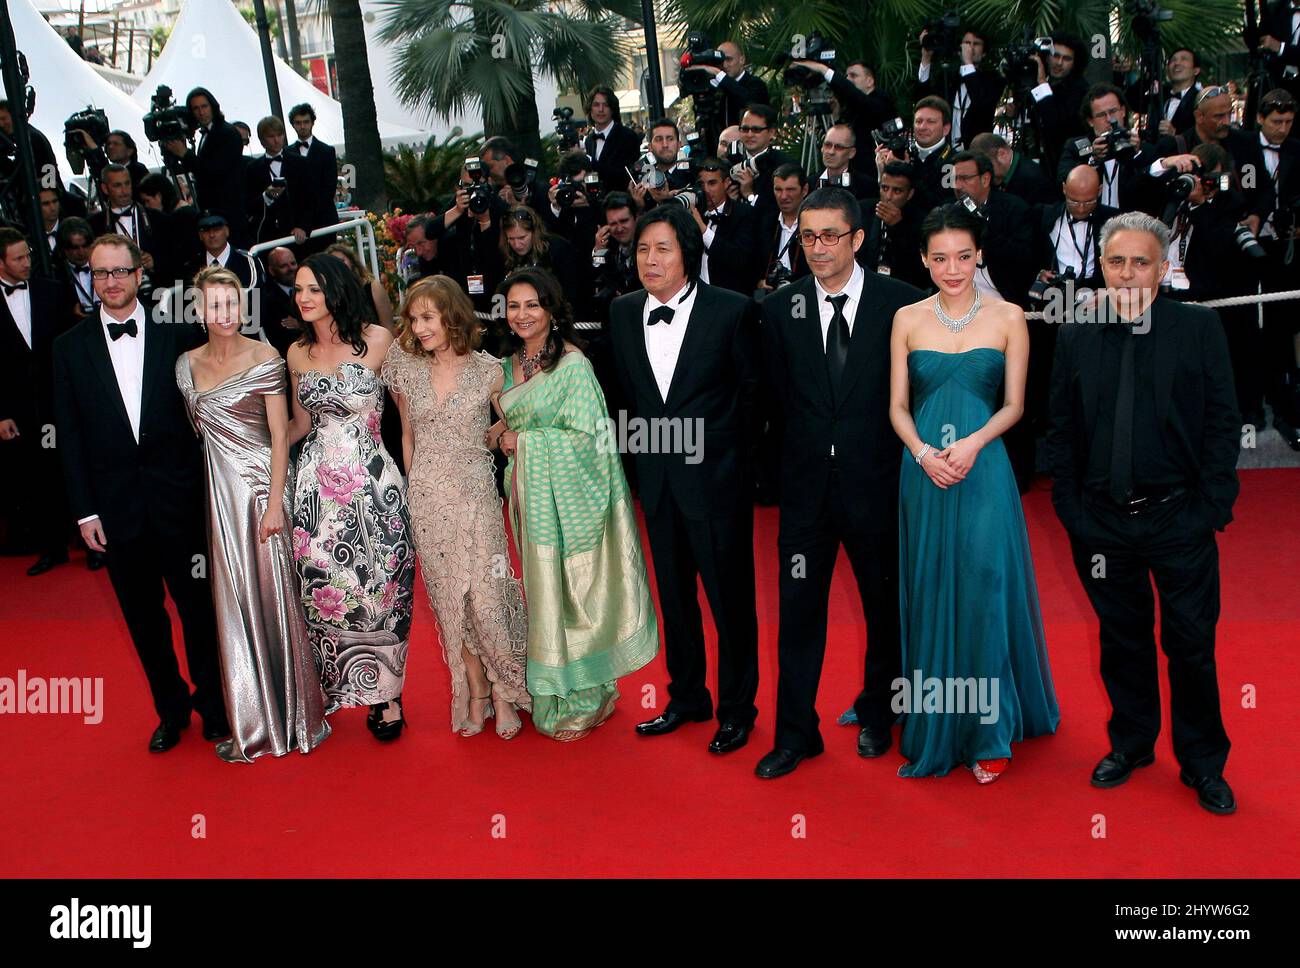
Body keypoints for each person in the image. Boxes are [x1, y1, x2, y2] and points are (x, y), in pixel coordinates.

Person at [1046, 211, 1241, 815]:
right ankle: (1131, 744)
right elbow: (1059, 425)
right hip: (1100, 523)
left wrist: (1210, 506)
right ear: (1099, 266)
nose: (1128, 274)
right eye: (1116, 261)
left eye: (1141, 262)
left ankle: (1203, 763)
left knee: (1190, 643)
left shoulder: (1198, 328)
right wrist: (1072, 509)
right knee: (1122, 640)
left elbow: (1221, 422)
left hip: (1178, 519)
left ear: (1163, 267)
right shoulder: (1077, 330)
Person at [888, 204, 1060, 781]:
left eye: (963, 256)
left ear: (979, 254)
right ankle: (939, 716)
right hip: (924, 469)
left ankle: (990, 728)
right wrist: (923, 453)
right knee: (933, 585)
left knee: (985, 585)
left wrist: (971, 445)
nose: (952, 268)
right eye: (939, 258)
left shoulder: (1009, 315)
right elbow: (896, 407)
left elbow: (1015, 406)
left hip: (984, 466)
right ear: (923, 259)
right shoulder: (907, 318)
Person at [755, 187, 922, 778]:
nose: (818, 248)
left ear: (857, 239)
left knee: (884, 607)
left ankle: (880, 711)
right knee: (798, 612)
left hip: (877, 484)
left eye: (830, 236)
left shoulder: (901, 305)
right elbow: (770, 402)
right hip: (805, 492)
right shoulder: (779, 310)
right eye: (807, 236)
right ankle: (797, 733)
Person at [52, 234, 227, 751]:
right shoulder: (68, 348)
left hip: (180, 501)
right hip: (116, 509)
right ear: (90, 278)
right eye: (100, 273)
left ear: (137, 275)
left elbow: (206, 418)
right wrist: (84, 511)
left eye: (120, 271)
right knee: (143, 618)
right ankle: (170, 711)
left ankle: (213, 706)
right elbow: (70, 435)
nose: (111, 282)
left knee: (198, 610)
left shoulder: (179, 336)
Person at [611, 206, 761, 753]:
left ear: (689, 255)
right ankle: (688, 696)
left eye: (663, 249)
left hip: (717, 484)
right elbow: (627, 398)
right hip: (658, 482)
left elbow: (753, 399)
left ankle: (737, 710)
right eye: (643, 249)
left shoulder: (733, 311)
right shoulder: (623, 312)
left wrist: (735, 471)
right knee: (674, 599)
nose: (650, 259)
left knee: (730, 602)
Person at [489, 267, 659, 740]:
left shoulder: (573, 366)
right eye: (513, 305)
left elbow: (592, 440)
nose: (521, 315)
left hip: (569, 497)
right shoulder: (505, 365)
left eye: (532, 305)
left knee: (571, 591)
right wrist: (506, 436)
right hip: (529, 497)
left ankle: (585, 690)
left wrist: (524, 442)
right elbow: (503, 427)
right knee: (543, 593)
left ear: (551, 310)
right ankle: (551, 687)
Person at [177, 267, 331, 762]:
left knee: (271, 595)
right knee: (231, 599)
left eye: (232, 303)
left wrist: (273, 504)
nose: (225, 314)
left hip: (262, 492)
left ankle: (292, 716)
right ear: (199, 310)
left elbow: (280, 434)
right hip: (218, 495)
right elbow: (200, 433)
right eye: (214, 305)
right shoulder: (185, 365)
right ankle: (254, 716)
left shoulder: (264, 356)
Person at [382, 276, 530, 739]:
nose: (420, 328)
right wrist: (412, 490)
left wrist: (493, 435)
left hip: (475, 494)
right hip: (427, 497)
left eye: (428, 317)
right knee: (451, 603)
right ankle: (477, 690)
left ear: (451, 316)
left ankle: (507, 691)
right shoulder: (404, 368)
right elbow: (405, 435)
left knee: (487, 595)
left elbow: (515, 413)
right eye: (414, 319)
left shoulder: (488, 369)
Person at [286, 254, 415, 739]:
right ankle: (341, 686)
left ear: (336, 289)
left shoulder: (380, 341)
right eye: (298, 290)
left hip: (374, 482)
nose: (303, 299)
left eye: (313, 289)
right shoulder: (296, 353)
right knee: (330, 589)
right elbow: (299, 425)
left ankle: (388, 695)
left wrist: (416, 475)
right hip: (315, 489)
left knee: (382, 587)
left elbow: (407, 416)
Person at [0, 228, 70, 576]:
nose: (27, 263)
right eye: (18, 258)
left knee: (71, 469)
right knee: (35, 478)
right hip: (21, 409)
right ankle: (51, 548)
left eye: (27, 255)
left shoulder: (52, 291)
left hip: (60, 400)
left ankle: (95, 547)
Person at [915, 27, 1002, 148]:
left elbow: (981, 101)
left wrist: (968, 62)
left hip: (976, 153)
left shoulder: (993, 79)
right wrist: (926, 58)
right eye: (966, 43)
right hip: (947, 153)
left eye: (976, 44)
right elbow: (924, 101)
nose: (970, 48)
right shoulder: (948, 77)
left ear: (984, 52)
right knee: (948, 168)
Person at [186, 88, 249, 246]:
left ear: (213, 107)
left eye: (204, 106)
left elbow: (214, 172)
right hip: (213, 210)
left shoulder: (226, 133)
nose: (201, 112)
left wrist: (185, 155)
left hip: (228, 212)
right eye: (196, 108)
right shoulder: (206, 134)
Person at [247, 115, 310, 246]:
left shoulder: (300, 163)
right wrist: (266, 196)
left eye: (280, 135)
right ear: (262, 140)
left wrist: (303, 226)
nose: (276, 140)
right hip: (267, 235)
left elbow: (309, 199)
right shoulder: (252, 168)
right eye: (271, 136)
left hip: (295, 234)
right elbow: (248, 204)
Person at [288, 104, 340, 252]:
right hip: (298, 229)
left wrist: (305, 225)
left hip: (324, 221)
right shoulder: (287, 153)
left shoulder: (326, 151)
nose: (302, 126)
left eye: (306, 122)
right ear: (293, 125)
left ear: (312, 123)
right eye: (298, 123)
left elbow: (328, 189)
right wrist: (297, 225)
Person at [581, 87, 642, 196]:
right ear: (590, 109)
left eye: (606, 105)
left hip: (622, 203)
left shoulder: (628, 136)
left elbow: (627, 175)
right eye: (596, 105)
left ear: (612, 109)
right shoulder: (589, 140)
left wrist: (591, 163)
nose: (600, 109)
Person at [325, 242, 394, 330]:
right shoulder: (327, 295)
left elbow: (388, 327)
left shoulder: (373, 288)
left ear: (352, 262)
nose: (338, 265)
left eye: (342, 261)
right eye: (332, 264)